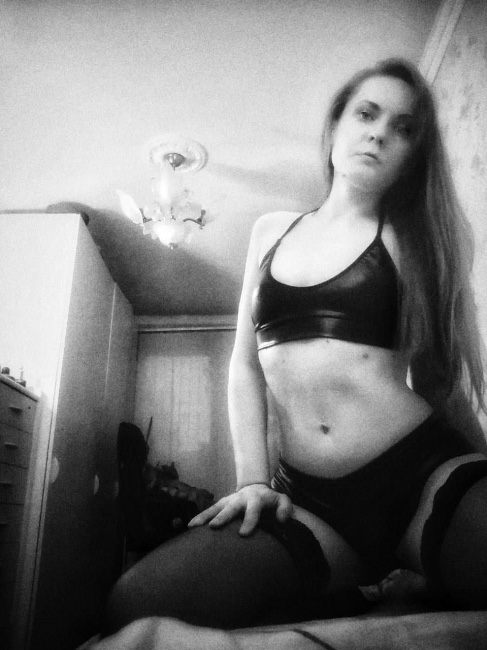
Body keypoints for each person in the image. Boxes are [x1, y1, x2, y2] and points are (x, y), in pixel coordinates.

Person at [102, 58, 487, 637]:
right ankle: (367, 584)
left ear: (414, 154)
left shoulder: (419, 236)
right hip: (307, 503)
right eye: (367, 114)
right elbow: (245, 366)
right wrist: (252, 480)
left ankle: (412, 573)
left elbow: (443, 377)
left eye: (404, 128)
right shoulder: (270, 230)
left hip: (423, 478)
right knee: (136, 604)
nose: (380, 133)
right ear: (335, 127)